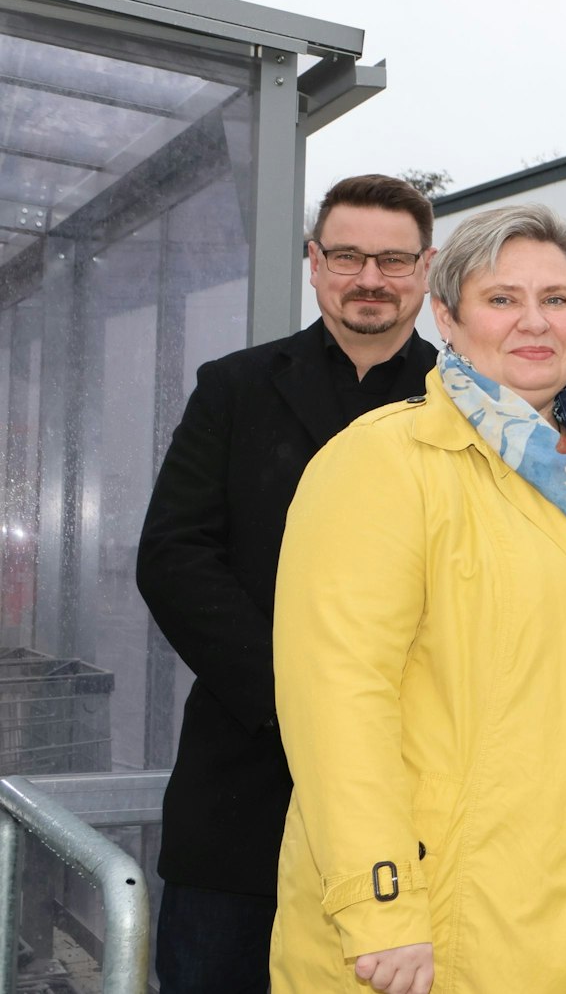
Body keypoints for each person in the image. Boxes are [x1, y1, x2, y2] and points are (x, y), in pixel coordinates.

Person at [269, 204, 566, 994]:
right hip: (463, 924)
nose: (535, 322)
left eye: (557, 299)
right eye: (502, 300)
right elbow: (337, 704)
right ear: (447, 317)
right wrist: (380, 900)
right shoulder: (383, 463)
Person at [136, 173, 438, 994]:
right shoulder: (234, 389)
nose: (369, 277)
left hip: (409, 802)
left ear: (426, 268)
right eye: (346, 255)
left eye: (392, 259)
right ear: (313, 262)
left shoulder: (466, 407)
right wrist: (299, 695)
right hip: (241, 794)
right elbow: (173, 555)